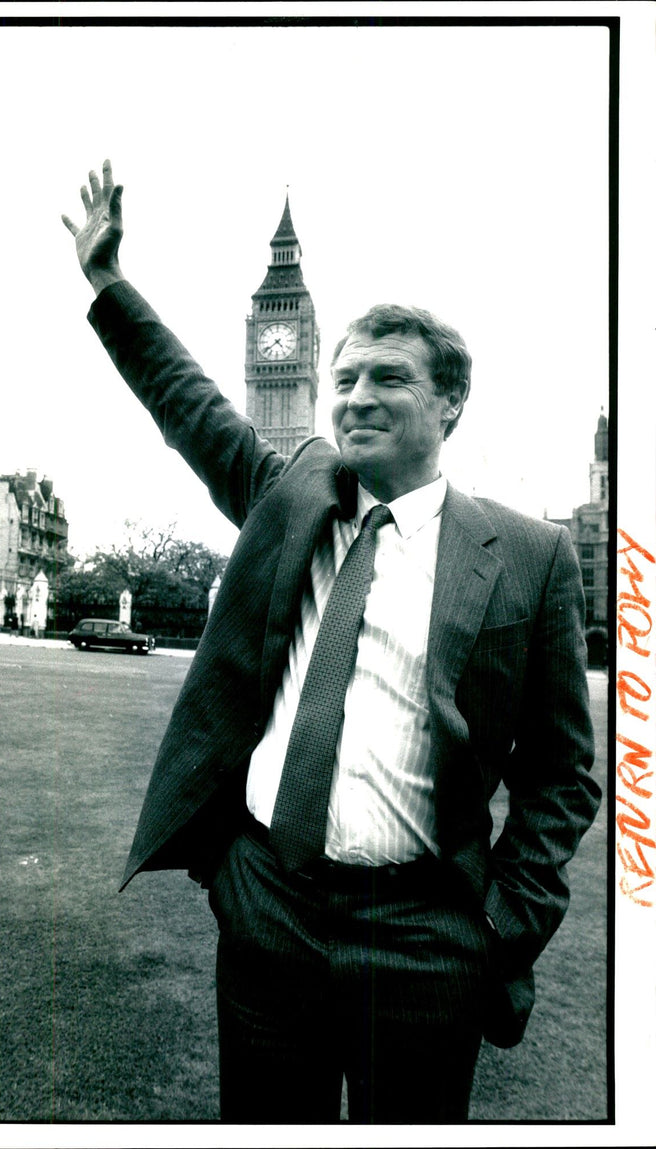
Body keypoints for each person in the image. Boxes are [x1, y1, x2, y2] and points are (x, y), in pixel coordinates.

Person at [62, 161, 601, 1124]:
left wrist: (501, 922)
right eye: (343, 376)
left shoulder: (529, 554)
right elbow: (190, 405)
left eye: (387, 377)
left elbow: (563, 772)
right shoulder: (293, 495)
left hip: (427, 933)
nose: (354, 396)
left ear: (450, 406)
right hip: (268, 907)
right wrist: (108, 283)